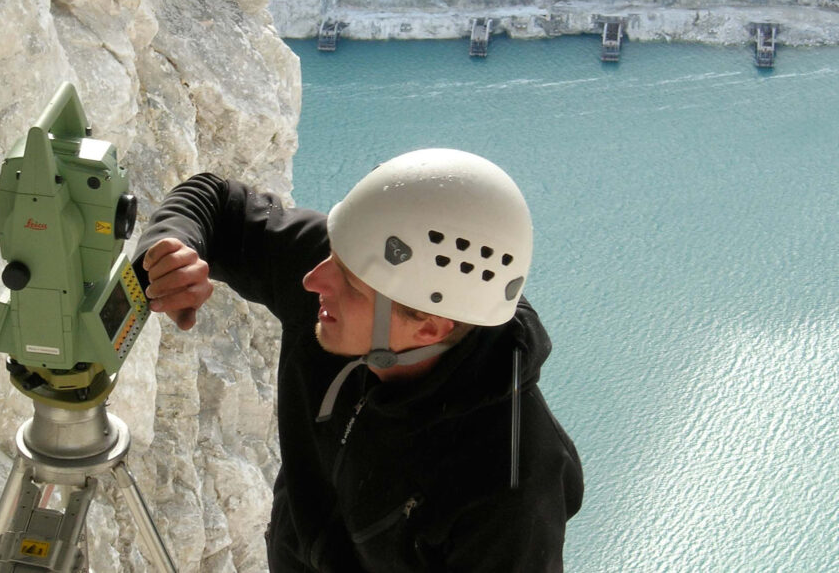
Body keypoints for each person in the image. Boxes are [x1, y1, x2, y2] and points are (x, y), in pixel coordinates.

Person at [133, 148, 584, 572]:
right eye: (333, 253)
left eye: (350, 283)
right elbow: (214, 201)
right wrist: (172, 250)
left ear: (429, 328)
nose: (313, 279)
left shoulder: (511, 488)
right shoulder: (362, 276)